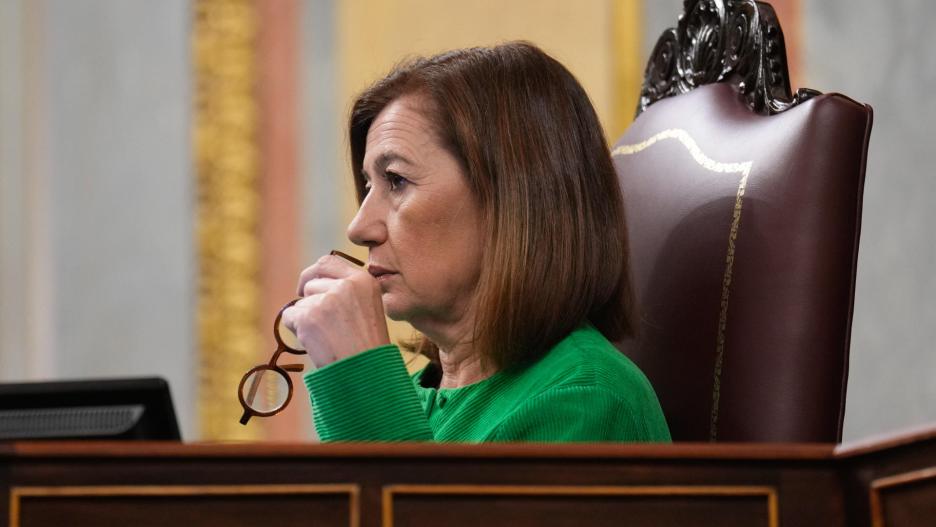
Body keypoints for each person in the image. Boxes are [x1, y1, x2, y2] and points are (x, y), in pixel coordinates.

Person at [281, 42, 670, 442]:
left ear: (511, 197)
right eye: (368, 186)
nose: (359, 227)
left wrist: (362, 375)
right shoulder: (420, 394)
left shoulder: (583, 398)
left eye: (396, 180)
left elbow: (404, 507)